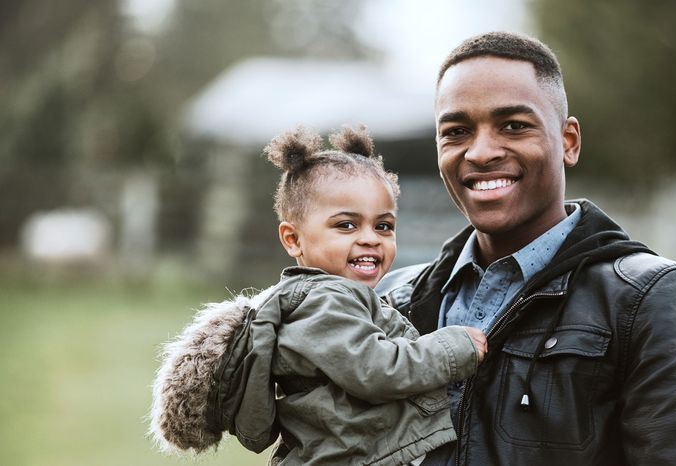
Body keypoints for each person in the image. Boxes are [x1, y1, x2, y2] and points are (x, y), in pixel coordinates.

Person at [375, 31, 676, 465]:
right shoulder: (390, 300)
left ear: (568, 141)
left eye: (513, 126)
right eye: (457, 131)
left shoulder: (648, 296)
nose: (482, 151)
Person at [150, 125, 488, 466]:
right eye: (346, 225)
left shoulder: (330, 297)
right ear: (293, 239)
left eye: (383, 226)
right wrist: (453, 347)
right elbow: (375, 369)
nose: (371, 238)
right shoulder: (324, 303)